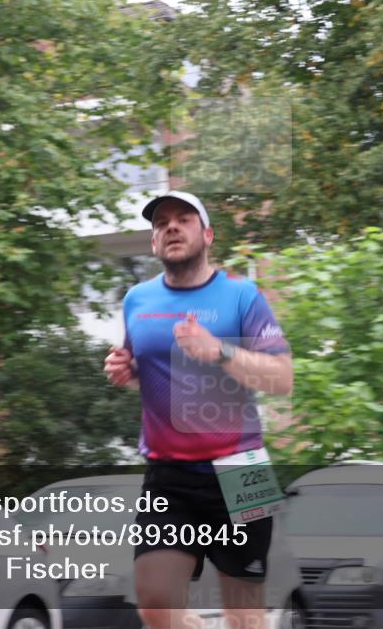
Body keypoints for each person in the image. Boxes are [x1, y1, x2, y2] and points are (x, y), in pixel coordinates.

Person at [104, 190, 293, 629]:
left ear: (207, 234)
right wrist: (124, 371)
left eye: (183, 219)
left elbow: (282, 379)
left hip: (242, 469)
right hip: (169, 474)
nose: (170, 226)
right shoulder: (137, 300)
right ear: (153, 243)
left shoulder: (243, 296)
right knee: (154, 600)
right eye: (160, 222)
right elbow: (144, 372)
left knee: (245, 615)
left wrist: (219, 351)